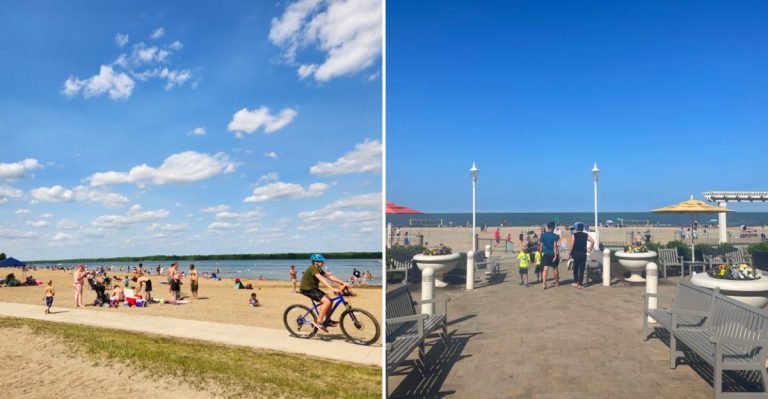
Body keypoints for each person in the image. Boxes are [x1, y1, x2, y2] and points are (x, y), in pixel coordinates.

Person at [299, 254, 350, 333]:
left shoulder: (319, 269)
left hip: (313, 288)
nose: (323, 263)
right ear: (315, 262)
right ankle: (318, 322)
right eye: (321, 261)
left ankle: (328, 320)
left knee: (330, 300)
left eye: (323, 261)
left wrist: (343, 282)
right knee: (326, 301)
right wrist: (332, 288)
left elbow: (329, 277)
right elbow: (322, 279)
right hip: (307, 289)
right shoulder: (313, 268)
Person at [568, 222, 595, 289]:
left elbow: (572, 245)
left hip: (576, 254)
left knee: (576, 268)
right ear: (582, 228)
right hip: (583, 254)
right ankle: (580, 284)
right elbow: (592, 241)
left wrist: (569, 253)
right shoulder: (585, 235)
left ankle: (575, 282)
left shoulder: (574, 235)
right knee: (582, 269)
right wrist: (590, 249)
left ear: (577, 228)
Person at [539, 221, 561, 289]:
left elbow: (541, 246)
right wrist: (555, 255)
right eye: (554, 227)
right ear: (552, 227)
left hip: (546, 254)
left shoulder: (543, 235)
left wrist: (540, 255)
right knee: (555, 268)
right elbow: (555, 246)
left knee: (545, 269)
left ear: (547, 227)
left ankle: (544, 284)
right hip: (553, 254)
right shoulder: (555, 236)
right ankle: (557, 282)